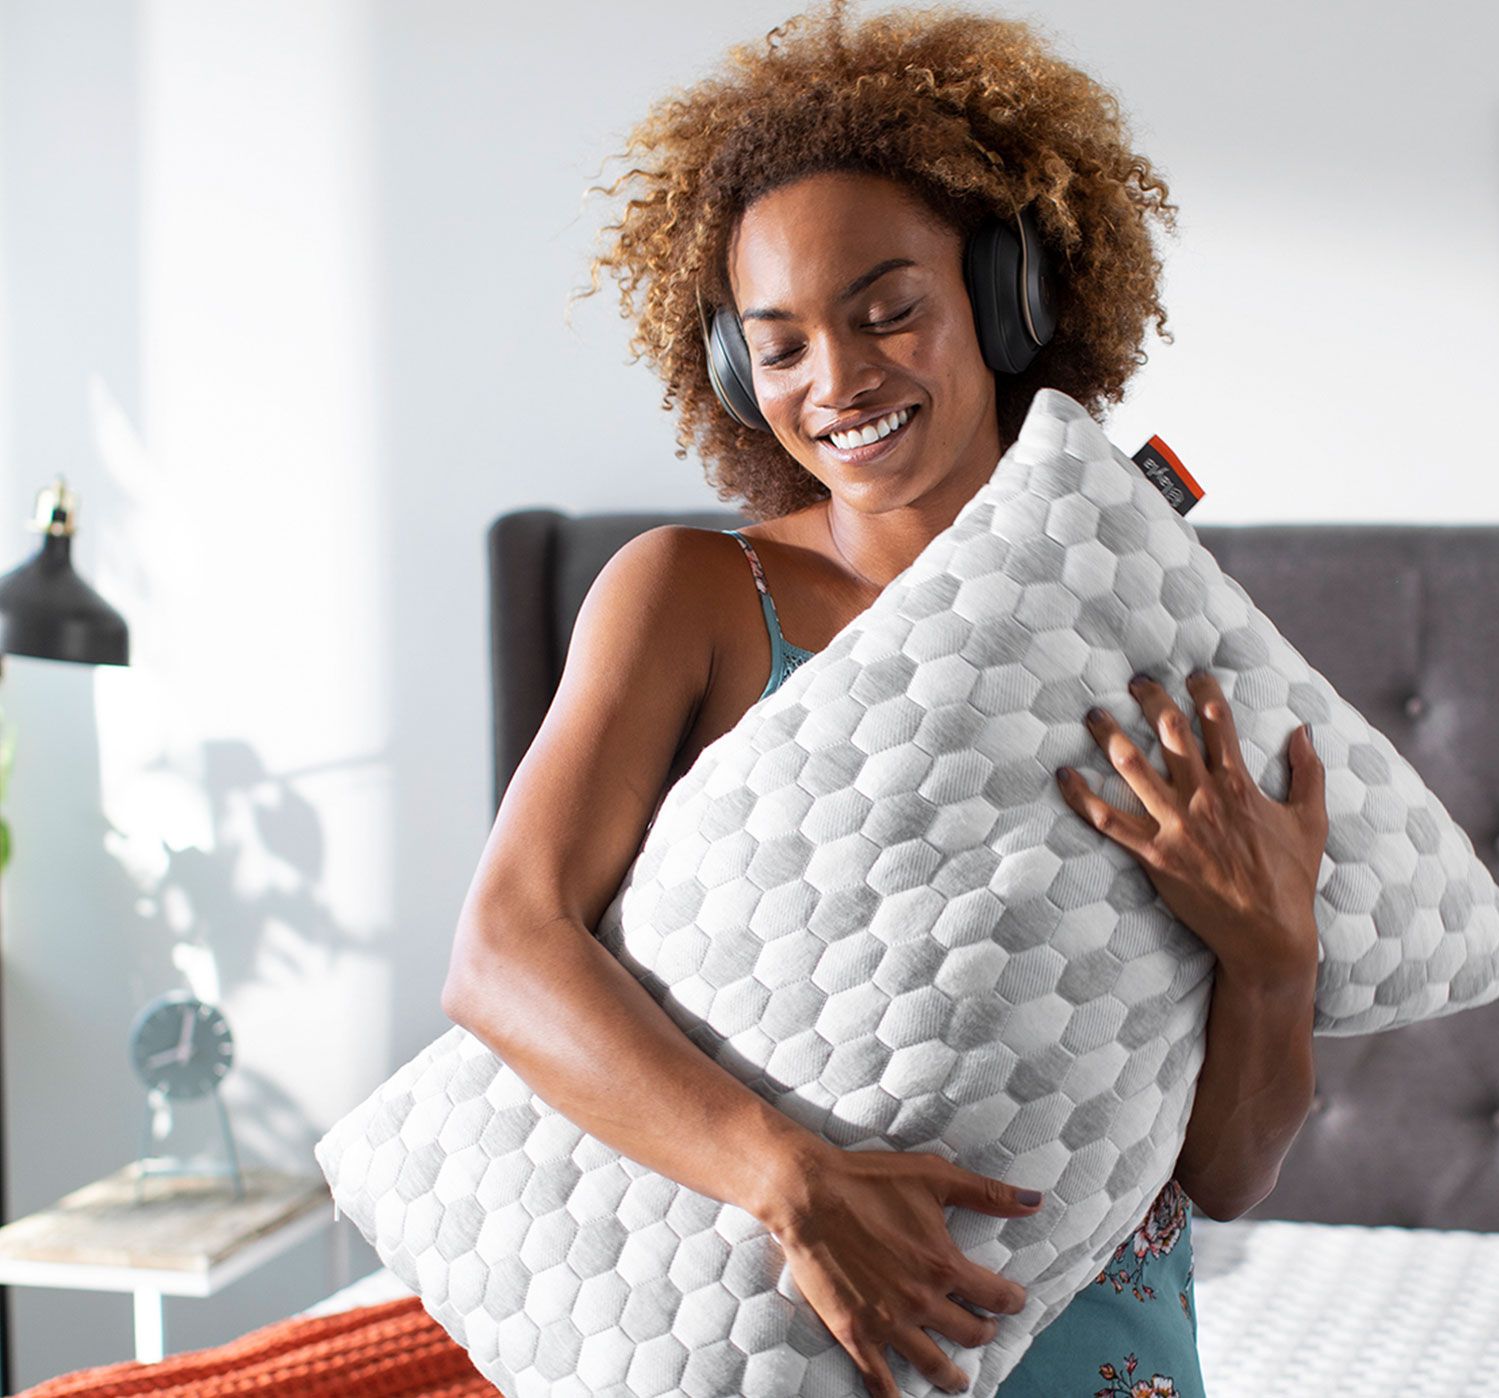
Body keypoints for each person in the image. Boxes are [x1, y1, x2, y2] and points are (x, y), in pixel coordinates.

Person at [442, 4, 1327, 1396]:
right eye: (779, 343)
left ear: (1005, 296)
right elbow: (501, 950)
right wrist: (786, 1173)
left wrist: (1277, 961)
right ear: (734, 368)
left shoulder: (1145, 625)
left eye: (887, 312)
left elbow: (1227, 1170)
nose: (837, 381)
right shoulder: (687, 594)